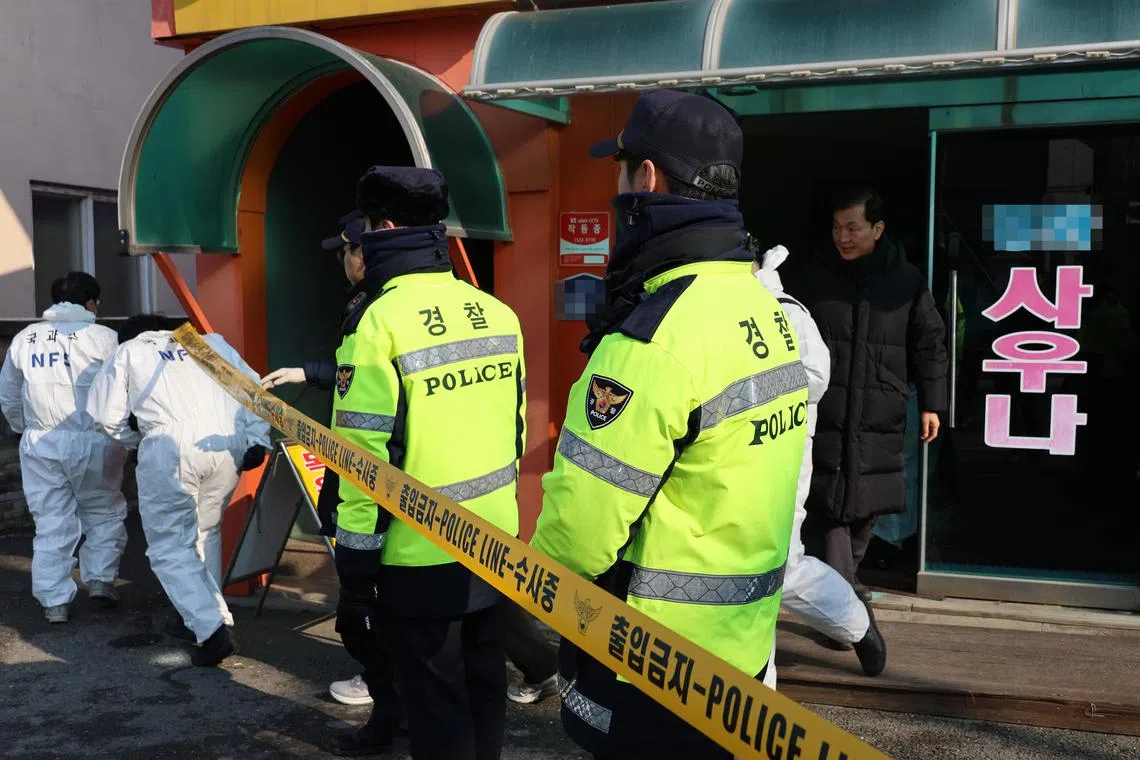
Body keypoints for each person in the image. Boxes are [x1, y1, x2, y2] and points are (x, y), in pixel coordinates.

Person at [531, 89, 808, 760]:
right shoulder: (764, 308)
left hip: (651, 663)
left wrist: (535, 586)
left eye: (621, 167)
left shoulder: (654, 336)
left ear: (646, 177)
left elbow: (579, 536)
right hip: (741, 645)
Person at [328, 166, 525, 760]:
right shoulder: (496, 312)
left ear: (385, 228)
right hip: (495, 542)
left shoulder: (375, 324)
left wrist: (355, 576)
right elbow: (515, 434)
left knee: (437, 711)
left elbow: (362, 465)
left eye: (364, 229)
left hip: (417, 556)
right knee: (485, 691)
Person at [87, 315, 270, 666]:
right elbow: (253, 390)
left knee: (170, 545)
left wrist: (138, 440)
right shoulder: (210, 343)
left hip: (169, 447)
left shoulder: (130, 350)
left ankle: (210, 629)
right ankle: (212, 615)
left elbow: (106, 418)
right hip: (225, 445)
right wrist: (256, 438)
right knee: (206, 532)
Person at [796, 187, 948, 600]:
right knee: (828, 503)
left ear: (878, 229)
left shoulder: (906, 282)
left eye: (853, 228)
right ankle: (842, 599)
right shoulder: (813, 278)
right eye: (836, 227)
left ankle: (843, 588)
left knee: (868, 502)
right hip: (826, 409)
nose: (842, 237)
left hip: (881, 408)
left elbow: (929, 343)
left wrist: (932, 403)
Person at [260, 211, 385, 711]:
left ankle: (382, 680)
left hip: (372, 476)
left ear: (366, 252)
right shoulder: (376, 301)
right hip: (383, 473)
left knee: (368, 590)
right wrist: (308, 372)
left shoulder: (378, 307)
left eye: (347, 250)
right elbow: (356, 372)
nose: (343, 261)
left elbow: (369, 377)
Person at [753, 245, 885, 682]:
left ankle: (857, 625)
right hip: (734, 462)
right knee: (759, 571)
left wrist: (747, 388)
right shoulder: (715, 310)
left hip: (778, 457)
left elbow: (815, 377)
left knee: (778, 568)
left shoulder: (785, 310)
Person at [0, 272, 128, 623]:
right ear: (90, 303)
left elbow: (9, 394)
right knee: (103, 510)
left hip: (42, 443)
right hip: (97, 439)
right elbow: (124, 389)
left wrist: (23, 429)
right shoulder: (106, 338)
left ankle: (54, 602)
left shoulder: (26, 338)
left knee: (52, 520)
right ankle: (101, 579)